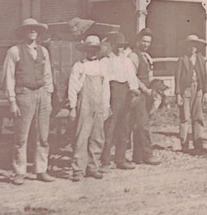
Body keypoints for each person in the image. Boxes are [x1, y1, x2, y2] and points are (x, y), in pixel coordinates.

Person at [3, 18, 55, 186]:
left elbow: (48, 75)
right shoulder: (14, 51)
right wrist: (12, 101)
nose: (32, 32)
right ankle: (20, 172)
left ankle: (41, 170)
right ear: (23, 32)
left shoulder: (43, 51)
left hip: (42, 94)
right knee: (21, 137)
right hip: (24, 95)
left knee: (43, 136)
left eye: (35, 29)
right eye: (29, 29)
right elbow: (9, 77)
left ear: (38, 32)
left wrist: (49, 95)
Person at [67, 34, 110, 181]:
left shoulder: (101, 66)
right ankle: (78, 169)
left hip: (99, 104)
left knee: (98, 137)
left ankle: (93, 167)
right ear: (85, 50)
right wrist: (72, 107)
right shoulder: (79, 66)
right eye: (90, 49)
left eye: (95, 49)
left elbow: (106, 88)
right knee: (82, 136)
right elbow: (72, 88)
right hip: (84, 104)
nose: (92, 52)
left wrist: (106, 106)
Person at [100, 31, 140, 170]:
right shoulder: (106, 61)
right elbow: (104, 80)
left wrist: (134, 92)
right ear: (111, 45)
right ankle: (105, 160)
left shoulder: (127, 60)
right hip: (112, 91)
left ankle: (120, 159)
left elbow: (132, 78)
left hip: (126, 93)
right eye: (117, 45)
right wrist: (107, 101)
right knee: (110, 127)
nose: (119, 49)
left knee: (124, 126)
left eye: (122, 46)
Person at [128, 28, 162, 165]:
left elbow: (149, 75)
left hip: (147, 93)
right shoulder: (133, 56)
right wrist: (145, 89)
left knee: (140, 125)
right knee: (143, 125)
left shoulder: (147, 57)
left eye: (148, 42)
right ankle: (148, 155)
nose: (146, 44)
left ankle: (138, 156)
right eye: (144, 41)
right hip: (138, 94)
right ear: (137, 41)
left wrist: (155, 89)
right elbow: (133, 77)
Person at [175, 34, 207, 152]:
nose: (192, 48)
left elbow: (204, 76)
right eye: (190, 45)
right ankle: (184, 143)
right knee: (185, 116)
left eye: (194, 46)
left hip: (198, 89)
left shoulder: (200, 58)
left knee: (198, 116)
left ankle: (198, 142)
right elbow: (178, 77)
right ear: (186, 46)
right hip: (186, 89)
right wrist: (178, 94)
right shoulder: (182, 59)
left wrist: (206, 91)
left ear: (197, 47)